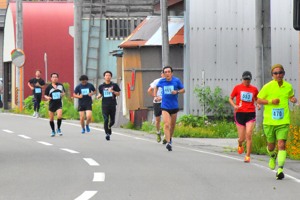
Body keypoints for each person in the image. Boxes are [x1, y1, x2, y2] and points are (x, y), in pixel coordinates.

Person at [257, 64, 297, 180]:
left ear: (283, 74)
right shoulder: (267, 87)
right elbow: (258, 99)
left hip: (283, 121)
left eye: (280, 72)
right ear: (272, 75)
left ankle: (280, 169)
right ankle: (272, 156)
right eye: (275, 73)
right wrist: (270, 102)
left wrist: (293, 99)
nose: (278, 75)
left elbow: (291, 97)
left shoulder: (288, 86)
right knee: (271, 146)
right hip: (269, 121)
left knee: (281, 144)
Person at [229, 71, 260, 163]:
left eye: (248, 79)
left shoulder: (254, 89)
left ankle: (247, 156)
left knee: (249, 134)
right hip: (240, 113)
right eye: (245, 79)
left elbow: (256, 98)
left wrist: (258, 104)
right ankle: (240, 144)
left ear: (251, 80)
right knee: (242, 138)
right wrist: (234, 105)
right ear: (242, 79)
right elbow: (230, 98)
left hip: (250, 113)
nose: (247, 81)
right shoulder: (237, 88)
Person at [154, 66, 185, 151]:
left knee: (172, 126)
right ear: (163, 74)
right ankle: (168, 142)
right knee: (167, 124)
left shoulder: (176, 81)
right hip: (165, 106)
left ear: (171, 73)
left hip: (174, 106)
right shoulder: (162, 81)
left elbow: (183, 90)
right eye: (165, 72)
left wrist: (177, 91)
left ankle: (170, 138)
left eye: (168, 72)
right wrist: (156, 96)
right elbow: (156, 87)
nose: (167, 73)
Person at [97, 71, 121, 141]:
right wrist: (98, 96)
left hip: (112, 105)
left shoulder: (114, 85)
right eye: (106, 75)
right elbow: (101, 94)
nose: (108, 76)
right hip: (104, 105)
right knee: (106, 119)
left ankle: (109, 127)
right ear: (104, 77)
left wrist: (113, 91)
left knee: (112, 121)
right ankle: (107, 133)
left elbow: (118, 94)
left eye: (109, 75)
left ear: (111, 77)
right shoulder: (101, 86)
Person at [44, 73, 65, 137]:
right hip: (52, 104)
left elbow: (64, 92)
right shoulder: (49, 87)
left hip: (59, 103)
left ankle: (58, 128)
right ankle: (53, 131)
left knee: (59, 116)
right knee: (51, 119)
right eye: (53, 77)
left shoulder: (60, 85)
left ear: (57, 78)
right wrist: (48, 98)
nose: (54, 78)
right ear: (51, 78)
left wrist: (62, 94)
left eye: (56, 77)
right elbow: (45, 95)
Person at [147, 72, 166, 143]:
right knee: (158, 120)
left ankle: (165, 136)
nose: (164, 75)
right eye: (163, 73)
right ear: (161, 74)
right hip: (157, 103)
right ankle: (158, 132)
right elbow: (149, 90)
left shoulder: (170, 82)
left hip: (166, 102)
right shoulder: (157, 81)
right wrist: (155, 96)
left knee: (166, 120)